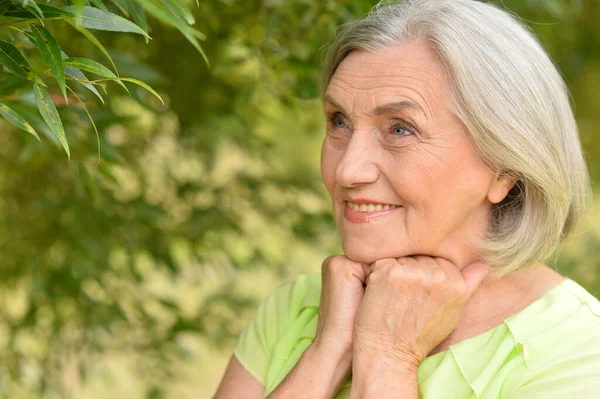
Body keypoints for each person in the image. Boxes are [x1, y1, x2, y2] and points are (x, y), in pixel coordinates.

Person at [213, 0, 600, 397]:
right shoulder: (296, 309)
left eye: (400, 130)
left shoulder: (581, 354)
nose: (348, 170)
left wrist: (388, 357)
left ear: (504, 167)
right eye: (339, 122)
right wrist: (327, 351)